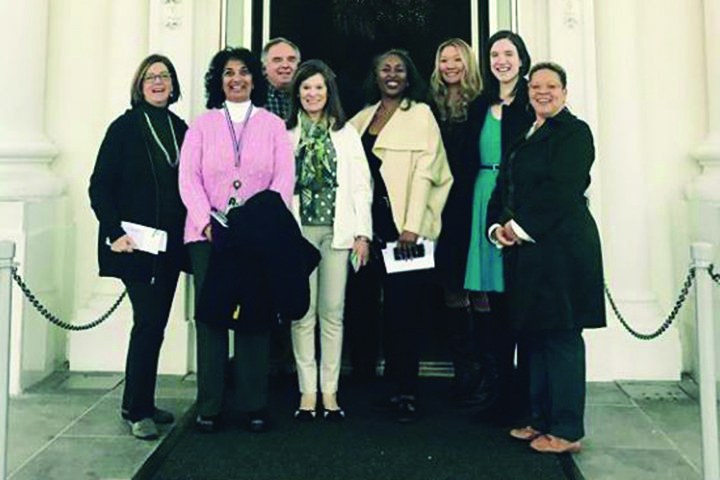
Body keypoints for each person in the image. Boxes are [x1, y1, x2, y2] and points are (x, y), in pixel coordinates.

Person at [487, 62, 605, 453]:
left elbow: (561, 190)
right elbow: (506, 184)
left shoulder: (575, 133)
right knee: (534, 336)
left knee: (561, 337)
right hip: (528, 254)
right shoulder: (526, 133)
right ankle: (539, 419)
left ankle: (567, 430)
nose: (543, 92)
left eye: (551, 86)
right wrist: (496, 227)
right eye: (536, 86)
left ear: (565, 92)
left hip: (563, 254)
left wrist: (516, 229)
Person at [178, 47, 294, 433]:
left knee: (254, 318)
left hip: (255, 237)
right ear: (219, 80)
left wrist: (258, 225)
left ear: (254, 79)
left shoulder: (273, 125)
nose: (237, 79)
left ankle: (253, 404)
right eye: (228, 73)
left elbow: (283, 180)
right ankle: (209, 405)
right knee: (211, 318)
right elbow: (188, 179)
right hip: (208, 235)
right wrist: (206, 222)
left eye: (244, 72)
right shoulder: (202, 124)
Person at [349, 49, 452, 422]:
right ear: (374, 76)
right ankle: (374, 386)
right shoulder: (361, 119)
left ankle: (405, 391)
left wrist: (412, 226)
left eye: (399, 70)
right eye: (384, 69)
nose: (391, 75)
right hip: (369, 230)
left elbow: (429, 172)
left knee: (403, 312)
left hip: (405, 232)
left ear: (409, 78)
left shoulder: (421, 115)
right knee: (364, 308)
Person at [89, 54, 189, 440]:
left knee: (155, 326)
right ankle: (135, 410)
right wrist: (114, 232)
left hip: (168, 248)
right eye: (151, 76)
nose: (158, 82)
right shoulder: (125, 127)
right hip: (132, 244)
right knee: (147, 322)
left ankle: (143, 401)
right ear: (139, 83)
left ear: (173, 83)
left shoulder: (181, 128)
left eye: (165, 75)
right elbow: (99, 185)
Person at [286, 60, 373, 421]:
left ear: (329, 92)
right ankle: (307, 392)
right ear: (298, 93)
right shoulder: (284, 132)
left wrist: (363, 234)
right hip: (298, 234)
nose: (312, 94)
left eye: (319, 87)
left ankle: (330, 392)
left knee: (332, 313)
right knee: (302, 314)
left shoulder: (346, 133)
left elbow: (360, 186)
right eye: (306, 88)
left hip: (338, 233)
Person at [464, 31, 535, 422]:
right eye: (494, 54)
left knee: (515, 301)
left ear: (521, 59)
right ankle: (496, 388)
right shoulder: (481, 106)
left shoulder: (530, 105)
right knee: (489, 299)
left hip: (514, 204)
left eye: (509, 53)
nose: (501, 60)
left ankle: (520, 397)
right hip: (480, 198)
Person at [428, 38, 486, 403]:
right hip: (441, 203)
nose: (450, 65)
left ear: (467, 63)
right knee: (450, 284)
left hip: (472, 201)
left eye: (456, 59)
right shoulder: (428, 105)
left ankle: (486, 369)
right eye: (444, 59)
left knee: (479, 286)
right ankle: (463, 369)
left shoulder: (482, 104)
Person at [262, 37, 301, 119]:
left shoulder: (308, 97)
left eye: (291, 60)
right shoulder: (253, 100)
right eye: (277, 60)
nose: (285, 65)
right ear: (264, 67)